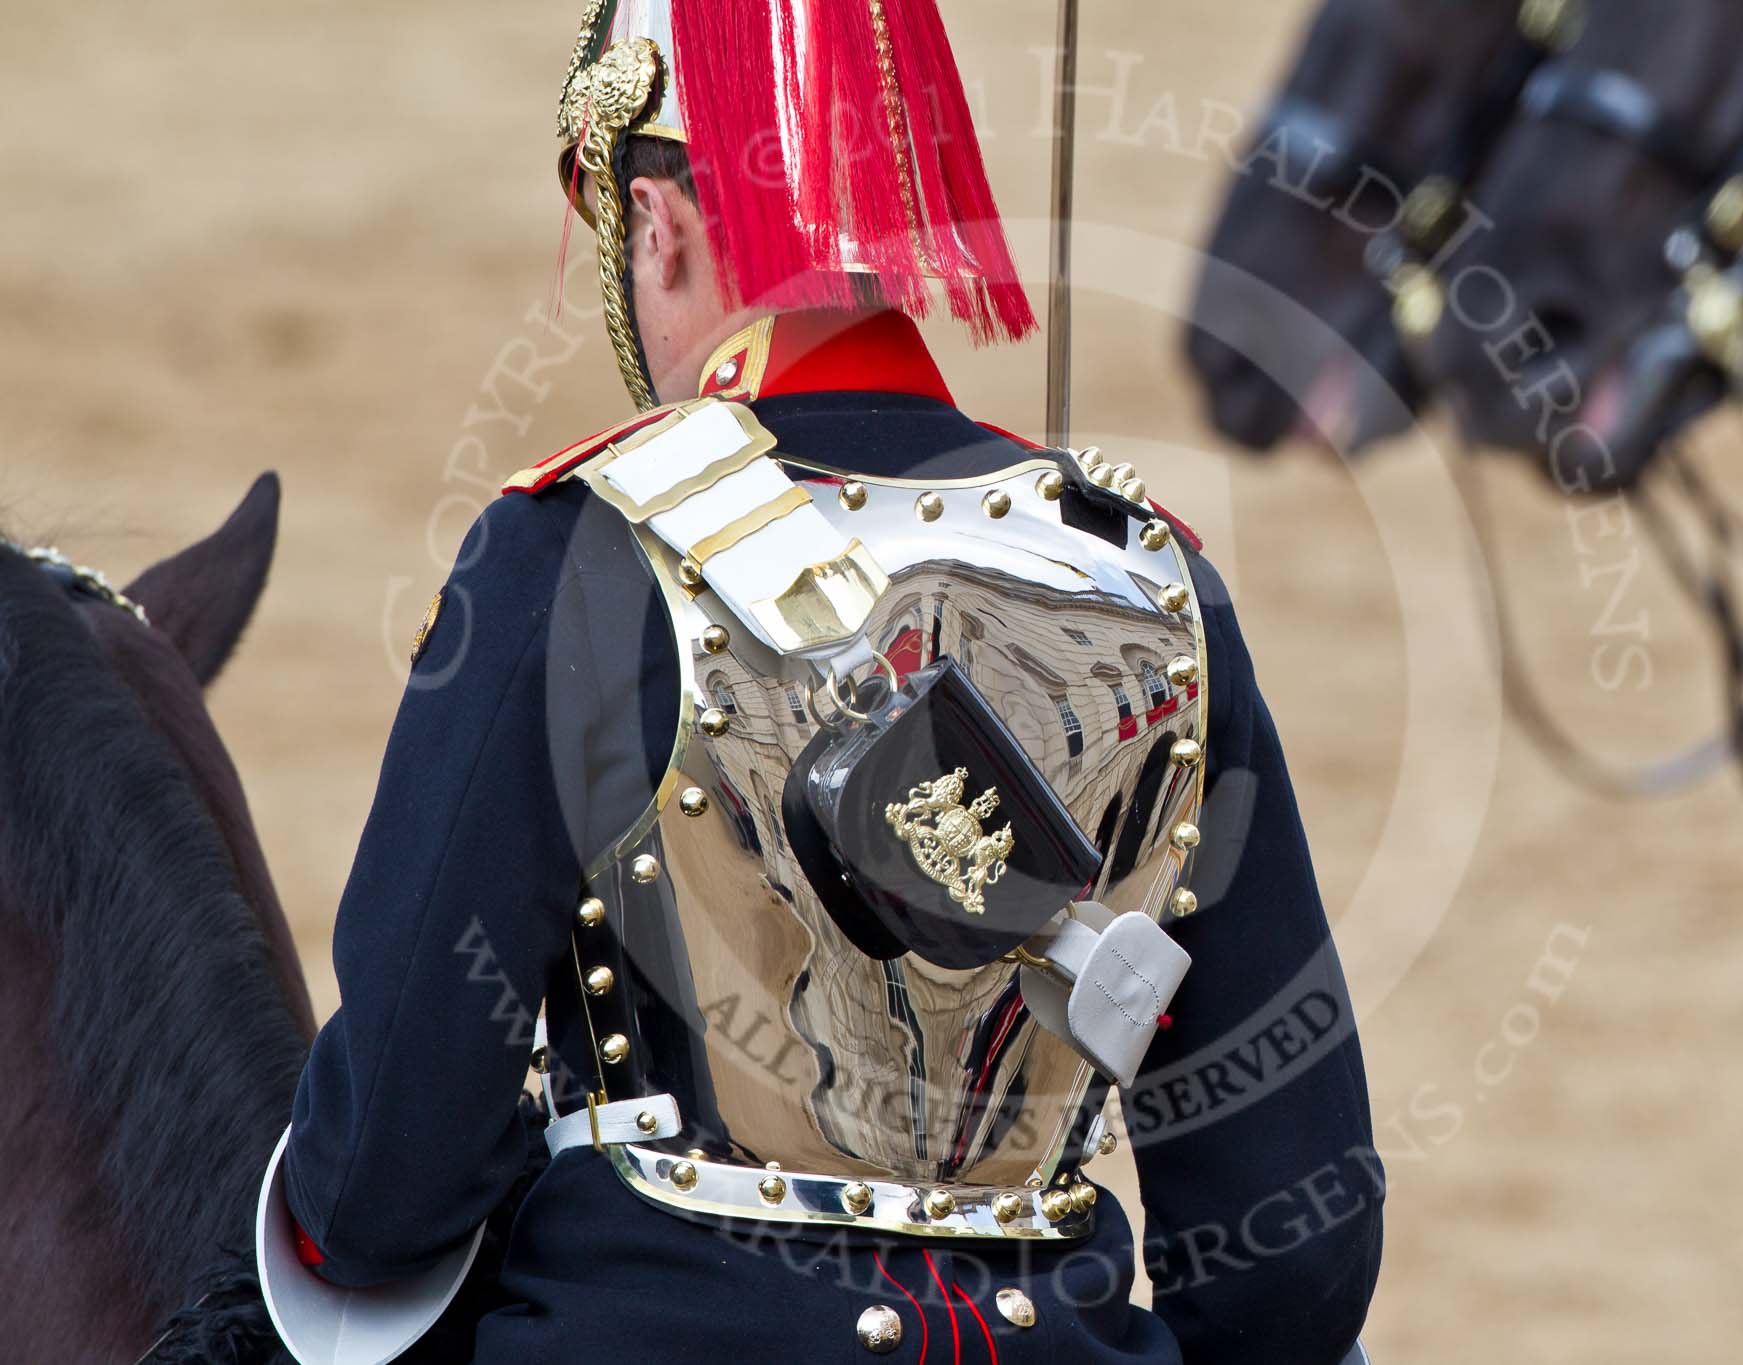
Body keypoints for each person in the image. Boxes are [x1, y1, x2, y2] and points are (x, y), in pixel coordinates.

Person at [262, 1, 1383, 1360]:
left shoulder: (578, 551)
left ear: (656, 222)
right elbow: (1298, 1248)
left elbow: (379, 1180)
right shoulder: (1151, 576)